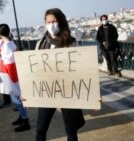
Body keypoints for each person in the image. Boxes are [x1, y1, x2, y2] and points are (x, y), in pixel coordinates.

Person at [35, 8, 85, 141]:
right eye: (48, 22)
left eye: (54, 21)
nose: (51, 24)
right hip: (47, 91)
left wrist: (93, 95)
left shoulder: (72, 43)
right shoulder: (40, 44)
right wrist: (28, 93)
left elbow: (82, 71)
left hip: (67, 91)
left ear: (61, 22)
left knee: (71, 131)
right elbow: (34, 71)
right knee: (40, 129)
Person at [0, 23, 31, 132]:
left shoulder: (6, 45)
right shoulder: (10, 43)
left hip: (10, 74)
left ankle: (25, 120)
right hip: (12, 72)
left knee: (16, 99)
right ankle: (22, 117)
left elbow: (9, 63)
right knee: (17, 98)